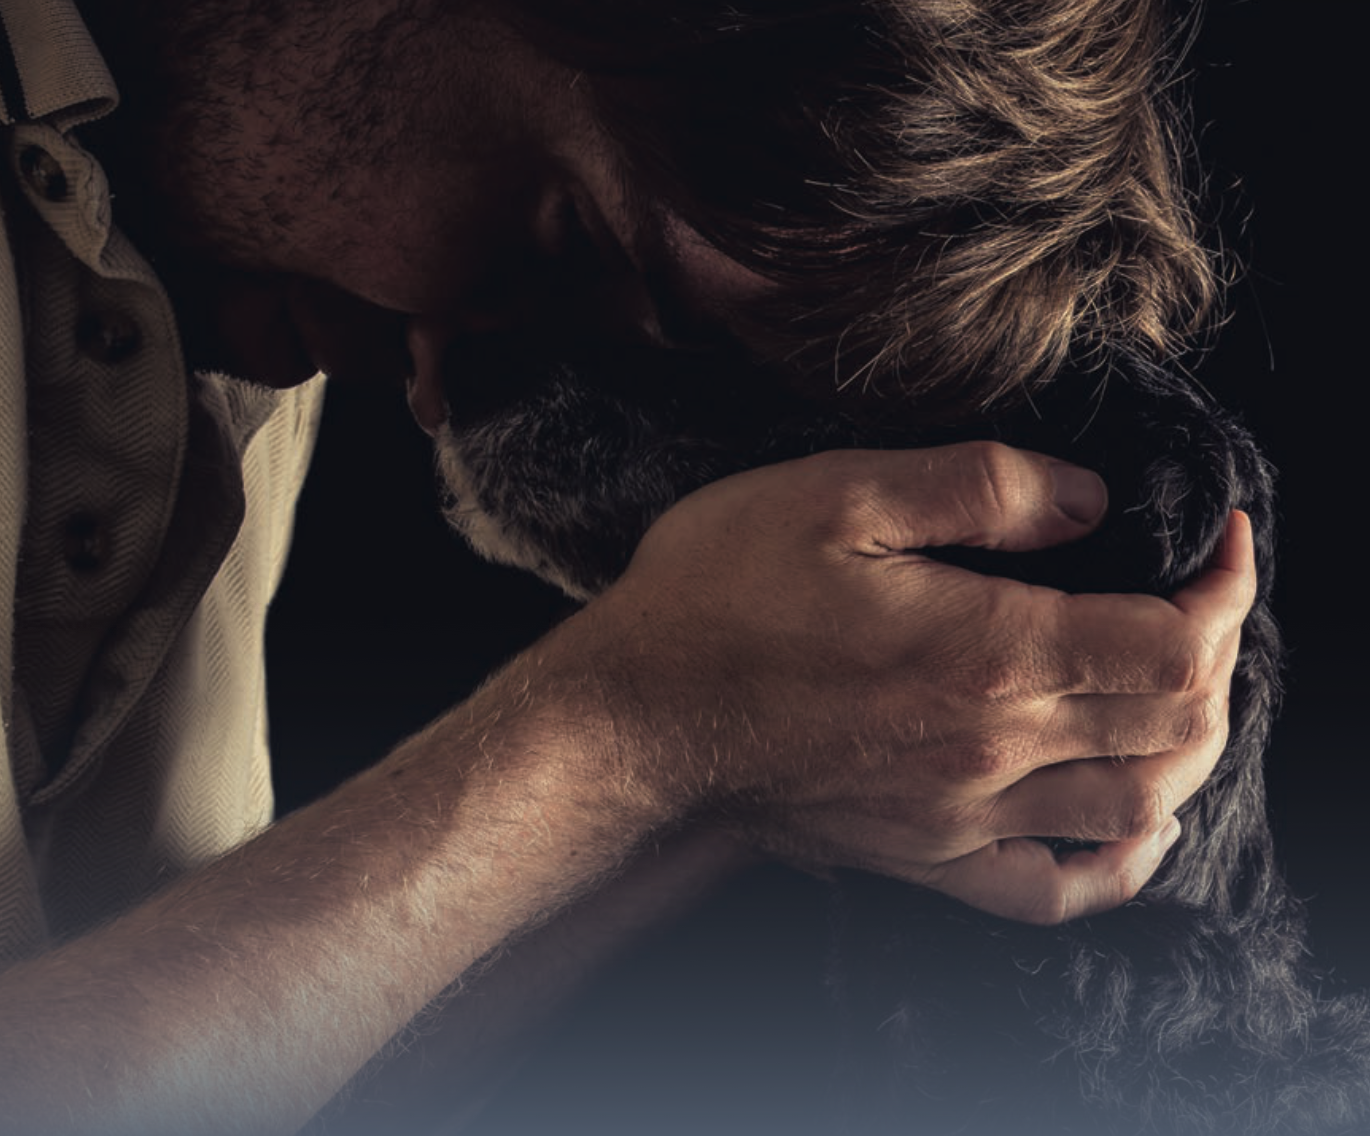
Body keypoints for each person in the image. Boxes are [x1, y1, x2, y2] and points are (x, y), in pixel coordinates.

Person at [0, 1, 1254, 1132]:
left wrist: (748, 767)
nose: (432, 391)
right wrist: (627, 729)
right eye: (555, 242)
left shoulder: (235, 251)